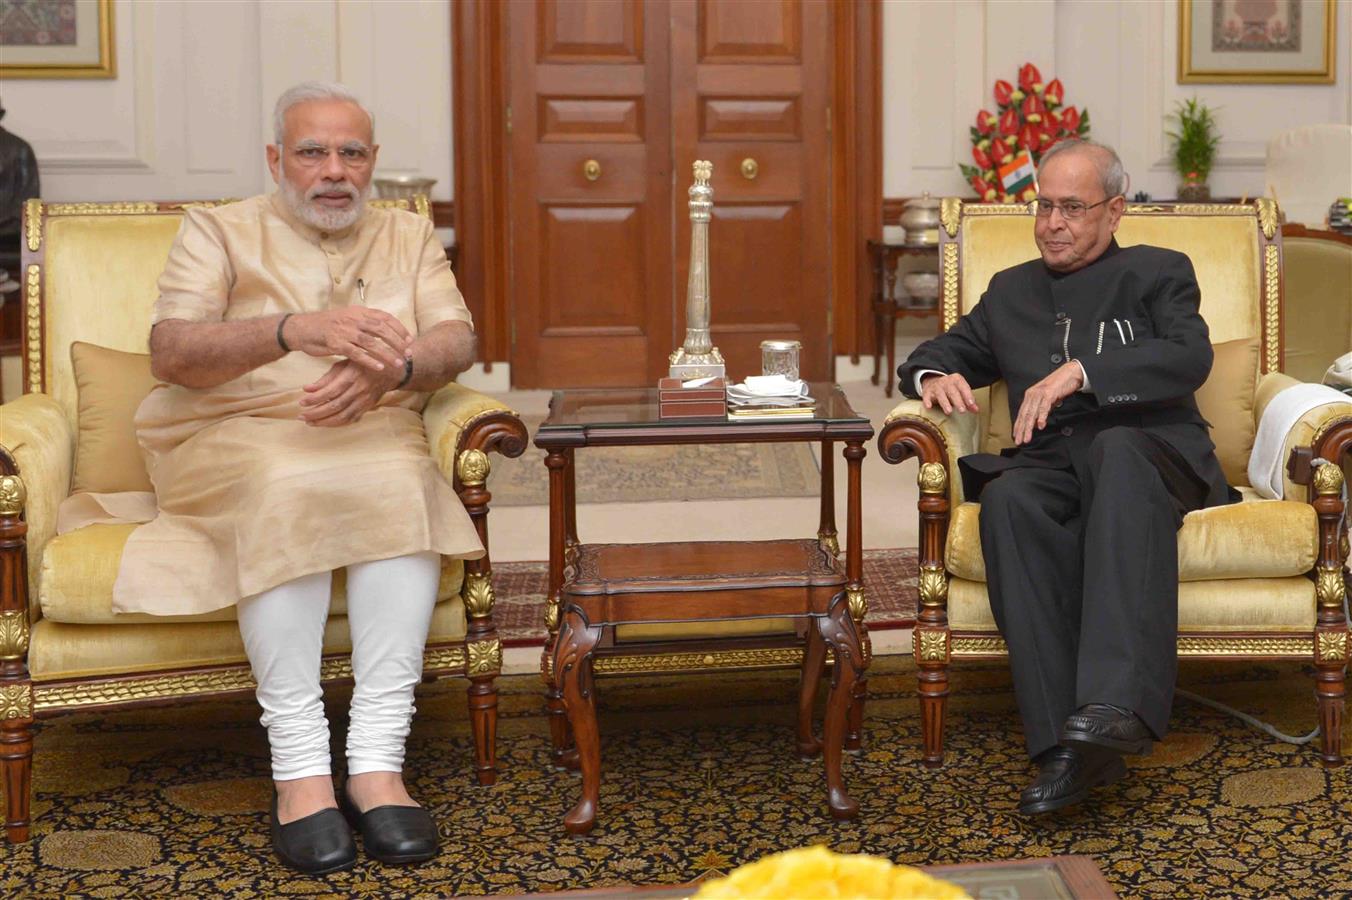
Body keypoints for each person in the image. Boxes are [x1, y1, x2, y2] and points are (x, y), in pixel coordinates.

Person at [130, 82, 479, 873]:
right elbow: (171, 352)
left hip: (370, 429)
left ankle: (378, 766)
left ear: (373, 162)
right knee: (287, 486)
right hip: (234, 433)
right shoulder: (217, 230)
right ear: (275, 159)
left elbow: (456, 339)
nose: (333, 171)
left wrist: (396, 369)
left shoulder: (407, 232)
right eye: (312, 152)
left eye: (351, 153)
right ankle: (300, 775)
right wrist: (294, 329)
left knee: (403, 482)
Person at [897, 139, 1237, 816]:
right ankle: (1068, 749)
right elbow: (938, 352)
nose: (1053, 222)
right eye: (1044, 205)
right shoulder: (1010, 291)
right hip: (1053, 463)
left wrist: (1083, 372)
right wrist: (934, 376)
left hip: (1151, 451)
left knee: (1116, 449)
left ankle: (1118, 707)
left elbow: (1188, 355)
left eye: (1072, 208)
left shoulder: (1157, 271)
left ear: (1114, 211)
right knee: (1010, 498)